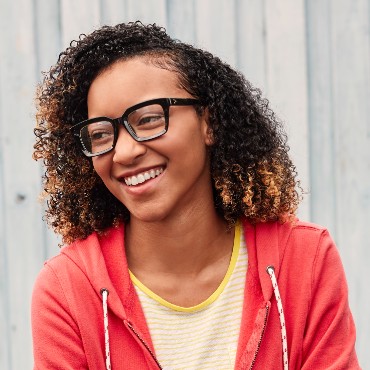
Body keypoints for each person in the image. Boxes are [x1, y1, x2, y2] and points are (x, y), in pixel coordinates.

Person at [31, 21, 360, 369]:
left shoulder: (303, 260)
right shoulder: (67, 291)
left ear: (209, 122)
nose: (124, 152)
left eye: (147, 119)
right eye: (100, 134)